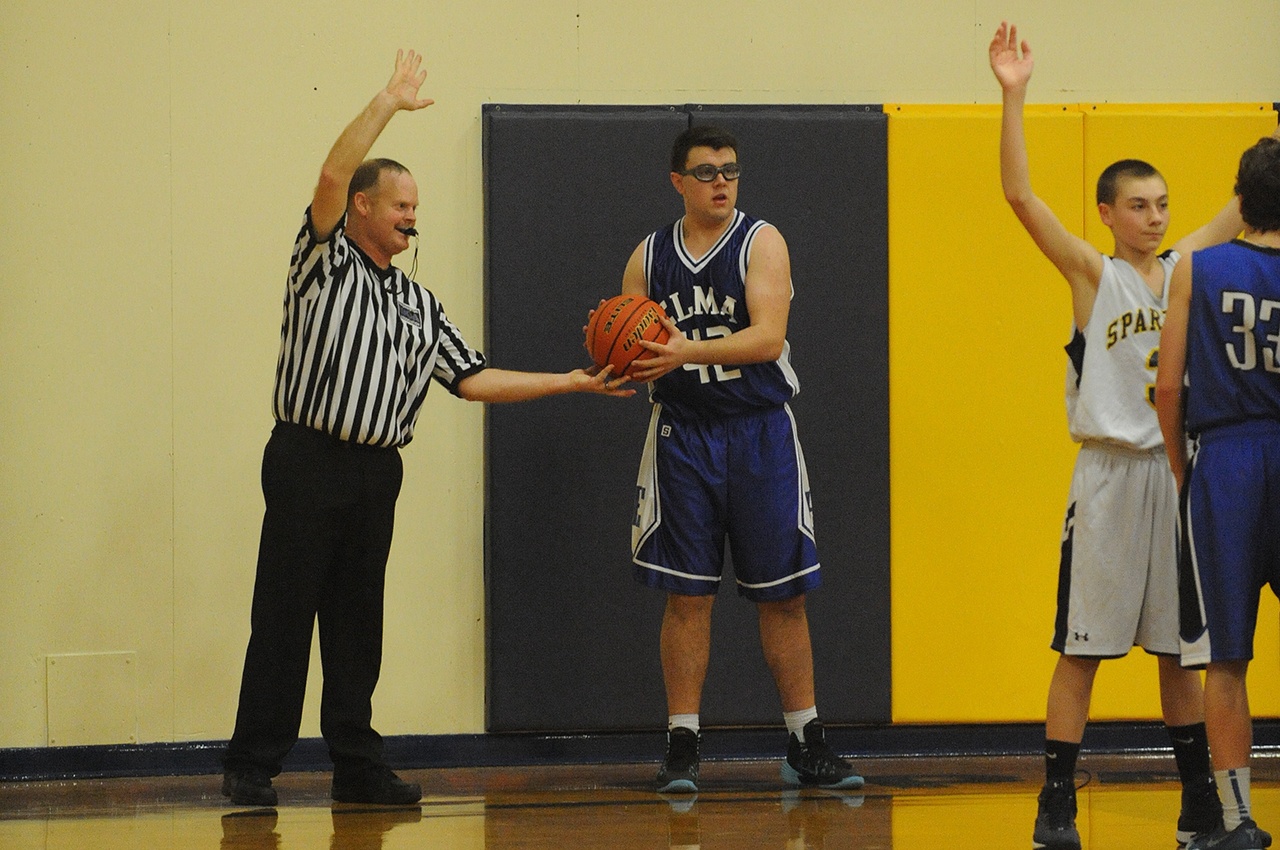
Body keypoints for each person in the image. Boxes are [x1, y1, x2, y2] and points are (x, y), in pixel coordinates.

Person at [221, 49, 632, 808]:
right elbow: (327, 176)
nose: (414, 214)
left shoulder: (420, 303)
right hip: (309, 458)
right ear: (362, 209)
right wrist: (386, 102)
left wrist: (569, 381)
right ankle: (252, 766)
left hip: (378, 470)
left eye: (416, 204)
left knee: (357, 626)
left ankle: (356, 768)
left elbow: (472, 378)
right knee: (283, 615)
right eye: (400, 204)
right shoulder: (324, 264)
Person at [989, 21, 1265, 850]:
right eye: (1139, 206)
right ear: (1107, 213)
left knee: (1182, 657)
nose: (1154, 217)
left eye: (1163, 205)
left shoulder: (1185, 268)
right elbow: (1019, 199)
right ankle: (1058, 800)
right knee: (1083, 650)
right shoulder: (1092, 274)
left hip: (1176, 474)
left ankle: (1196, 804)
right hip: (1109, 476)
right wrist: (1013, 95)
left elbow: (1243, 207)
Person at [614, 123, 862, 794]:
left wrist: (682, 352)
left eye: (730, 170)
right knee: (687, 598)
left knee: (782, 597)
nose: (721, 181)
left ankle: (805, 740)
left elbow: (766, 337)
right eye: (706, 172)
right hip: (683, 435)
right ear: (677, 181)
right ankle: (682, 744)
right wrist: (619, 364)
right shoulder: (647, 258)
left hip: (759, 433)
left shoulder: (762, 240)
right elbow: (632, 350)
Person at [1155, 136, 1280, 850]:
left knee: (1225, 658)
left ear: (1241, 198)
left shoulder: (1197, 268)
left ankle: (1237, 821)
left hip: (1225, 458)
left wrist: (1183, 471)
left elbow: (1167, 388)